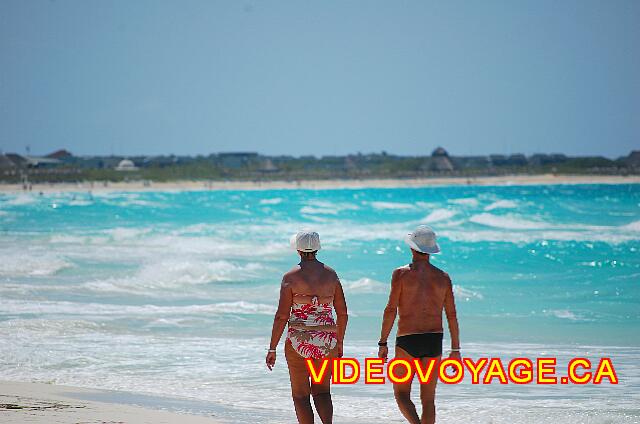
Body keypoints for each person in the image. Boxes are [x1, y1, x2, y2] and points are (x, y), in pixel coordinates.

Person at [378, 225, 460, 424]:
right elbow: (451, 315)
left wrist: (382, 342)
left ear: (412, 248)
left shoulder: (401, 274)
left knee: (401, 393)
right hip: (434, 340)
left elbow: (391, 309)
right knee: (428, 400)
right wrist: (455, 349)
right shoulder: (443, 277)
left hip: (408, 339)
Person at [266, 230, 348, 424]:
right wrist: (339, 342)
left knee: (301, 396)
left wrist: (272, 348)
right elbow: (343, 313)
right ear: (317, 248)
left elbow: (281, 316)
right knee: (322, 392)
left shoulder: (291, 277)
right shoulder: (331, 275)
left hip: (298, 341)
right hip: (327, 342)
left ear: (298, 249)